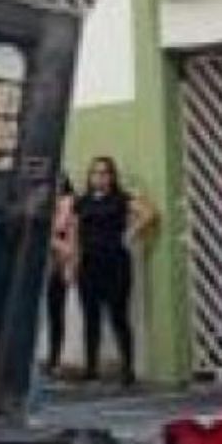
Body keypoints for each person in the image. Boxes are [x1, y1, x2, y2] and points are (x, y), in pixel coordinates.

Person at [75, 156, 158, 387]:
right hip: (89, 264)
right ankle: (91, 369)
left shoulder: (120, 199)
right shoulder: (82, 202)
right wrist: (72, 262)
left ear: (112, 177)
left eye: (104, 173)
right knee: (90, 317)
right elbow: (74, 231)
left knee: (119, 316)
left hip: (115, 264)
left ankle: (128, 369)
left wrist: (131, 233)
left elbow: (150, 213)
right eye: (95, 173)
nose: (99, 177)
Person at [43, 176, 77, 377]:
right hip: (38, 266)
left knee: (56, 314)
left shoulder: (69, 205)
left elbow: (70, 245)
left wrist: (69, 267)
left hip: (57, 267)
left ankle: (54, 359)